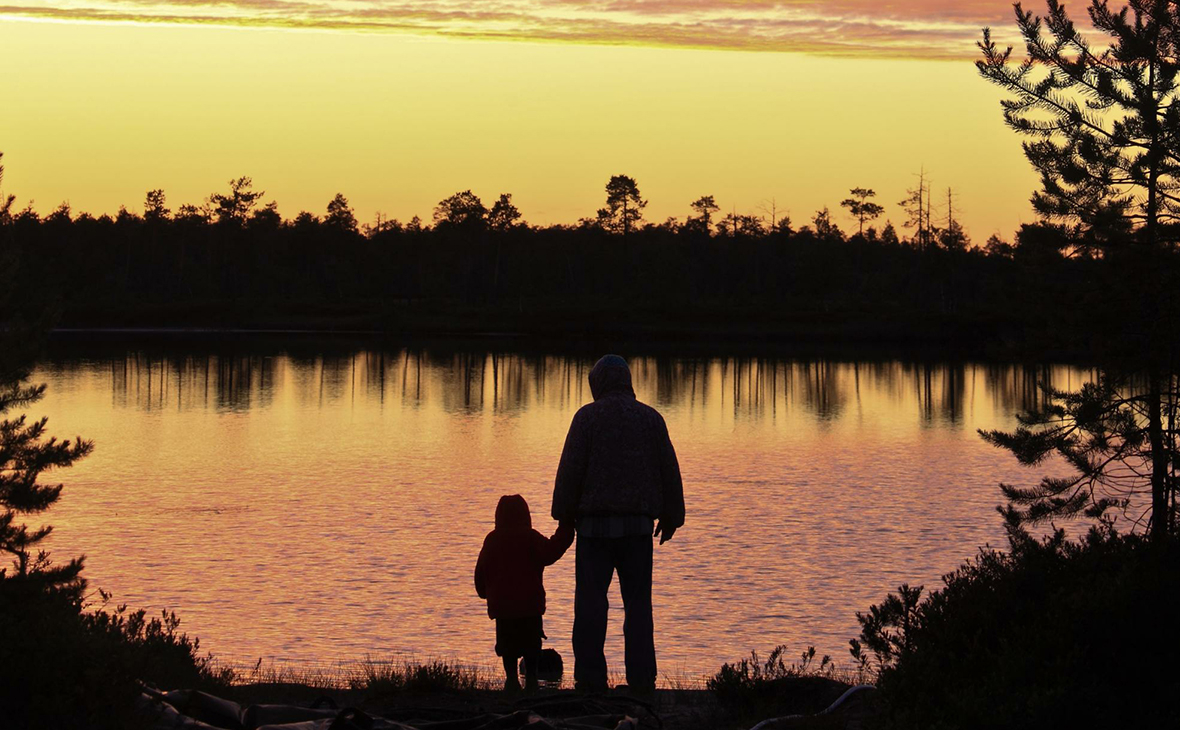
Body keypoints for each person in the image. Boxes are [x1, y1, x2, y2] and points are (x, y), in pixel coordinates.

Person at [551, 355, 685, 692]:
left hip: (594, 531)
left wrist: (564, 515)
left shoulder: (587, 418)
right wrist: (672, 516)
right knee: (638, 607)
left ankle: (590, 679)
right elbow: (669, 470)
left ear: (599, 382)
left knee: (590, 606)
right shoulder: (651, 419)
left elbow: (570, 470)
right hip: (638, 530)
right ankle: (642, 680)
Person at [475, 494, 574, 692]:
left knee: (507, 647)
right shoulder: (531, 537)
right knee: (531, 645)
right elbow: (551, 551)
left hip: (503, 609)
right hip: (529, 607)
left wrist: (485, 592)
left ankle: (511, 678)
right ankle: (531, 679)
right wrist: (566, 529)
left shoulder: (492, 540)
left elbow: (481, 572)